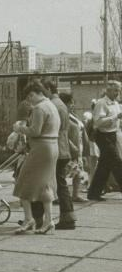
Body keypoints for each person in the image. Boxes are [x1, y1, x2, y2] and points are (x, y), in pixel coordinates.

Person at [13, 81, 60, 235]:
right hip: (52, 146)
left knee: (23, 182)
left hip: (41, 148)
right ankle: (49, 220)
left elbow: (35, 131)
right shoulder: (51, 105)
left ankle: (29, 219)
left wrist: (19, 128)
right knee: (46, 185)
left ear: (35, 93)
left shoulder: (39, 108)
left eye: (30, 97)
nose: (29, 101)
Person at [37, 80, 76, 230]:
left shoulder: (52, 105)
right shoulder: (61, 104)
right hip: (63, 148)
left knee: (46, 182)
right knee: (60, 184)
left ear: (48, 89)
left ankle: (38, 218)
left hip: (55, 147)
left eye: (42, 90)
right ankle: (68, 217)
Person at [87, 81, 122, 201]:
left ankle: (93, 193)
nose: (118, 93)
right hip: (103, 135)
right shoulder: (101, 103)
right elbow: (98, 122)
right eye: (115, 90)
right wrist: (116, 117)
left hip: (112, 135)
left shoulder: (116, 103)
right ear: (108, 91)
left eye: (119, 90)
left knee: (105, 165)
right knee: (117, 162)